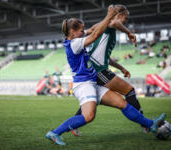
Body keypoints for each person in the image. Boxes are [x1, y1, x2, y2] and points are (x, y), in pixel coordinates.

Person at [45, 5, 166, 146]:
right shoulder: (74, 43)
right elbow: (95, 34)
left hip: (92, 83)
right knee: (89, 116)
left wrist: (104, 22)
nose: (85, 32)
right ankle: (54, 133)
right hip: (83, 84)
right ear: (72, 32)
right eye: (81, 30)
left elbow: (94, 30)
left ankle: (151, 125)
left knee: (122, 103)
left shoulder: (77, 39)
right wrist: (109, 15)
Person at [72, 5, 148, 135]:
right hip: (99, 70)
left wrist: (121, 67)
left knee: (93, 99)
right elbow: (115, 22)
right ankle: (145, 123)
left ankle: (73, 125)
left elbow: (106, 56)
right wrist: (129, 33)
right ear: (118, 15)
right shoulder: (110, 24)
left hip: (97, 69)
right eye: (126, 18)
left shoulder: (103, 26)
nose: (126, 21)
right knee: (129, 91)